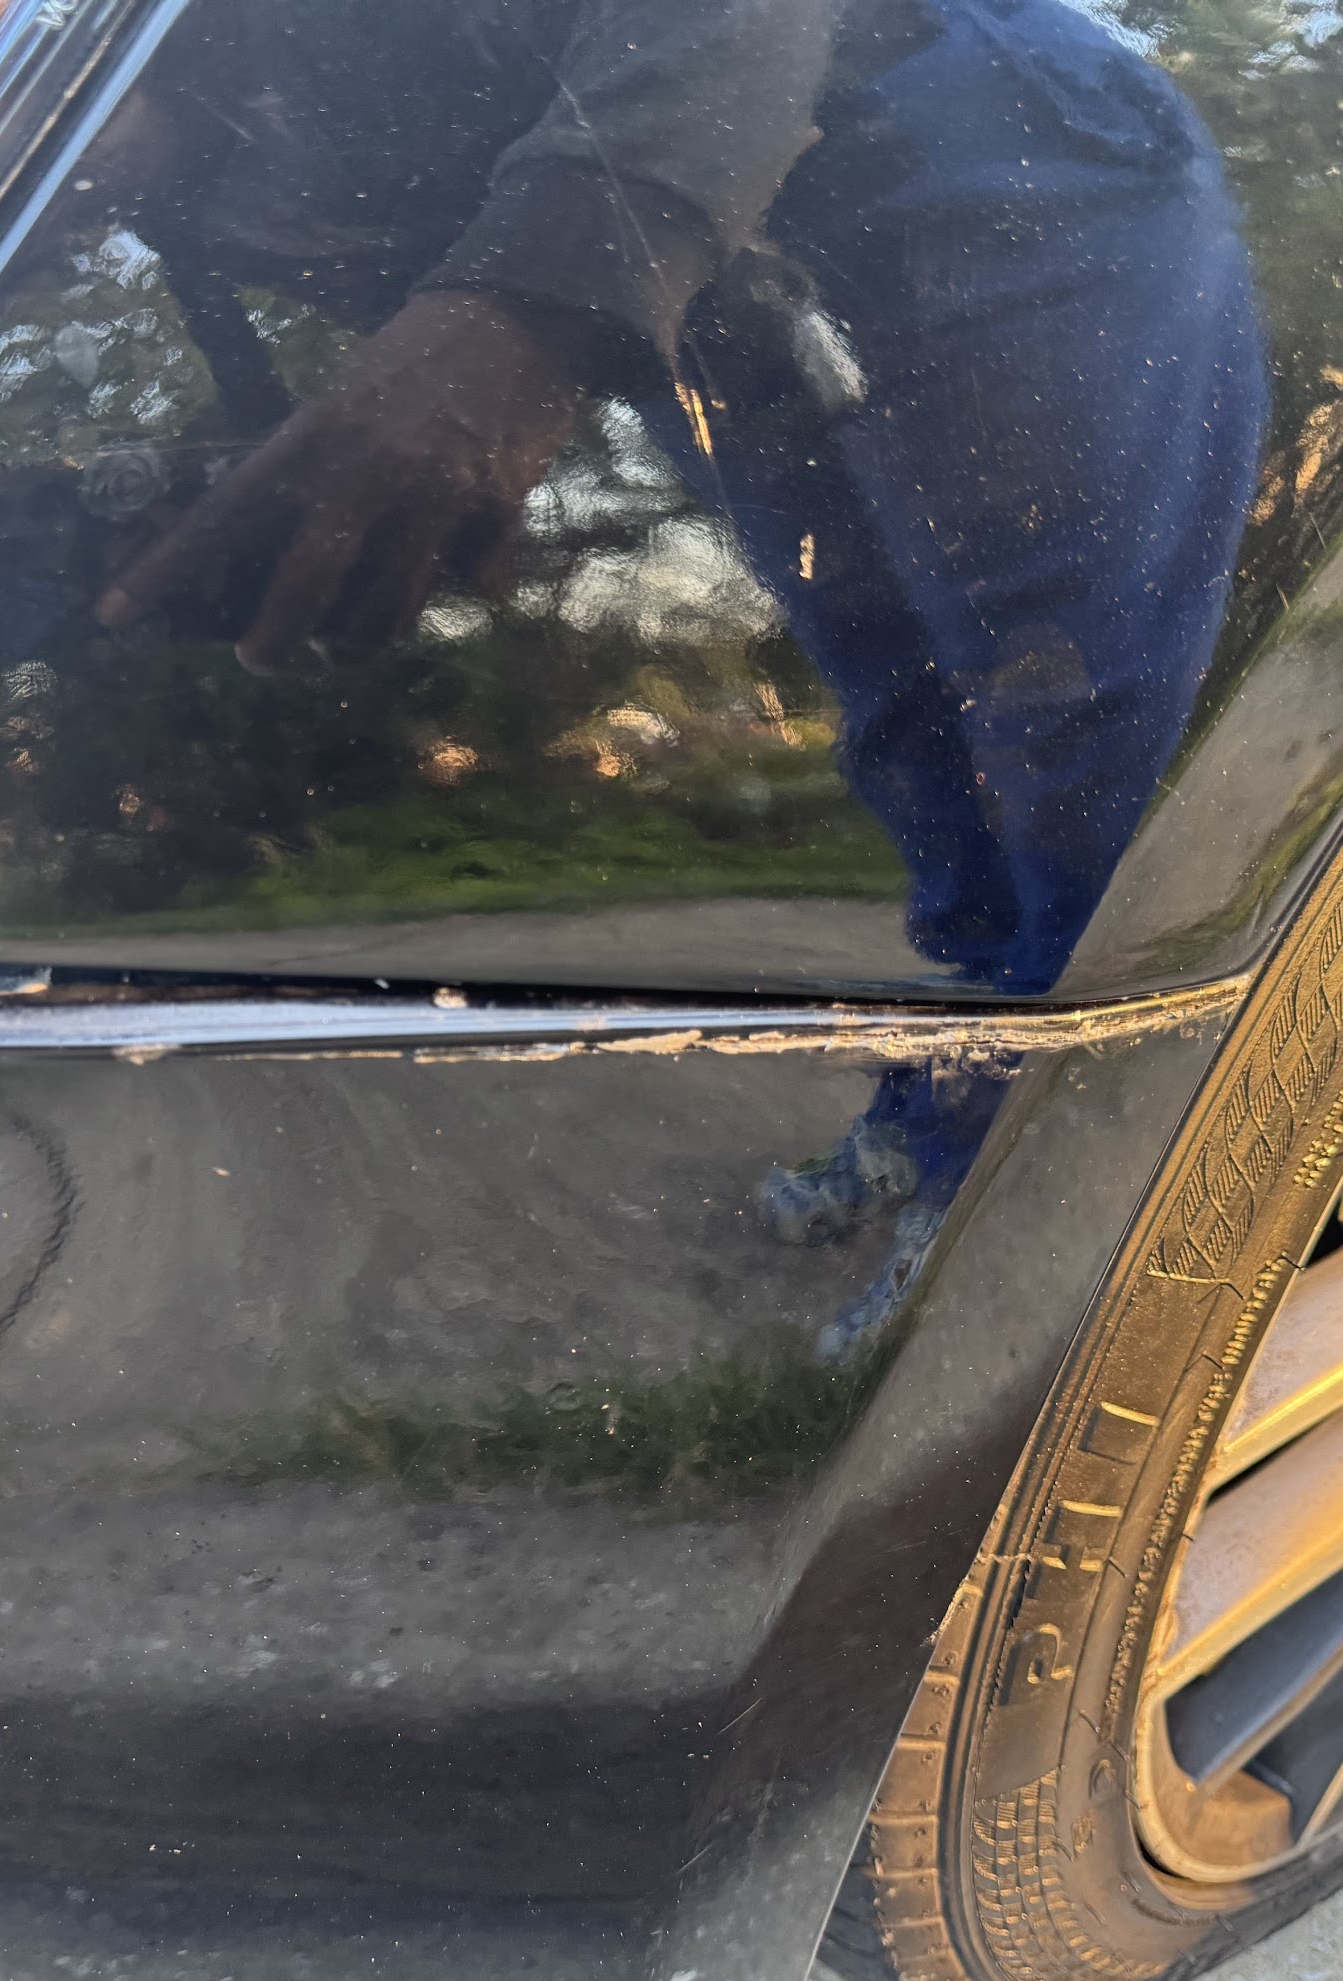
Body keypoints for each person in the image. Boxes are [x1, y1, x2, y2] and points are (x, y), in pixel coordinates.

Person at [87, 0, 1268, 1351]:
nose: (49, 211)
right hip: (732, 305)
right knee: (908, 727)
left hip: (967, 142)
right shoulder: (188, 200)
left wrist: (530, 308)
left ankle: (1105, 1198)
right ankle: (961, 1099)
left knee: (1064, 717)